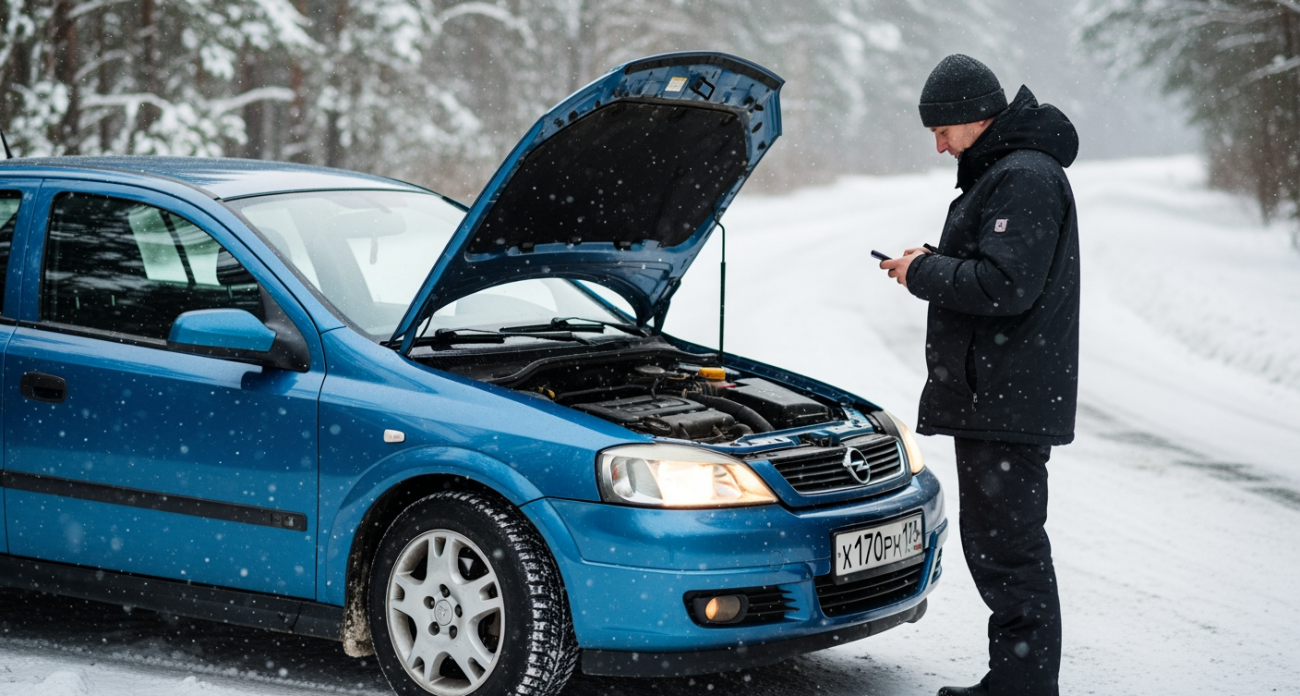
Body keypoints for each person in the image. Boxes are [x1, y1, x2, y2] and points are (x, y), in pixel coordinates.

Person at [878, 54, 1080, 696]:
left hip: (1007, 396)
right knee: (999, 546)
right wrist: (935, 260)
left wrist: (923, 274)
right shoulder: (1006, 172)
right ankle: (1015, 680)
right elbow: (998, 266)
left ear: (975, 116)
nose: (938, 145)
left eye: (942, 130)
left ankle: (1022, 686)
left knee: (1009, 550)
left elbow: (1005, 285)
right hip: (997, 393)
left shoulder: (1023, 177)